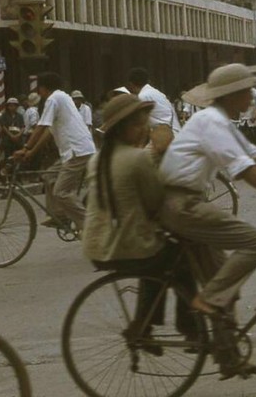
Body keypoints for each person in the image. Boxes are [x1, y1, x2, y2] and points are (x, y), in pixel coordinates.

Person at [158, 64, 256, 322]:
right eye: (247, 91)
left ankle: (228, 355)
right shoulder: (211, 121)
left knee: (226, 289)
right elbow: (244, 170)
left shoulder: (222, 121)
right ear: (231, 95)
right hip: (182, 205)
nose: (252, 97)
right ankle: (207, 300)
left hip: (187, 203)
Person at [82, 93, 202, 362]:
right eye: (138, 125)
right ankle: (190, 328)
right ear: (122, 129)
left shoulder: (97, 158)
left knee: (157, 266)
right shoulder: (136, 159)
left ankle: (144, 325)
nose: (144, 129)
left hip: (98, 242)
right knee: (181, 264)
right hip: (126, 243)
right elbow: (155, 201)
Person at [14, 72, 97, 232]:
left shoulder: (53, 99)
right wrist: (31, 152)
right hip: (73, 151)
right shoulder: (62, 98)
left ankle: (89, 226)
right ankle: (59, 216)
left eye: (40, 88)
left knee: (62, 192)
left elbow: (42, 126)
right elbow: (48, 132)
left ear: (43, 88)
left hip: (76, 151)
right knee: (49, 176)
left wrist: (25, 148)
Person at [127, 68, 181, 155]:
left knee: (140, 160)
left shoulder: (143, 96)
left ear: (131, 85)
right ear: (148, 80)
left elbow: (143, 125)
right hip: (173, 133)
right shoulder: (155, 92)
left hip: (164, 137)